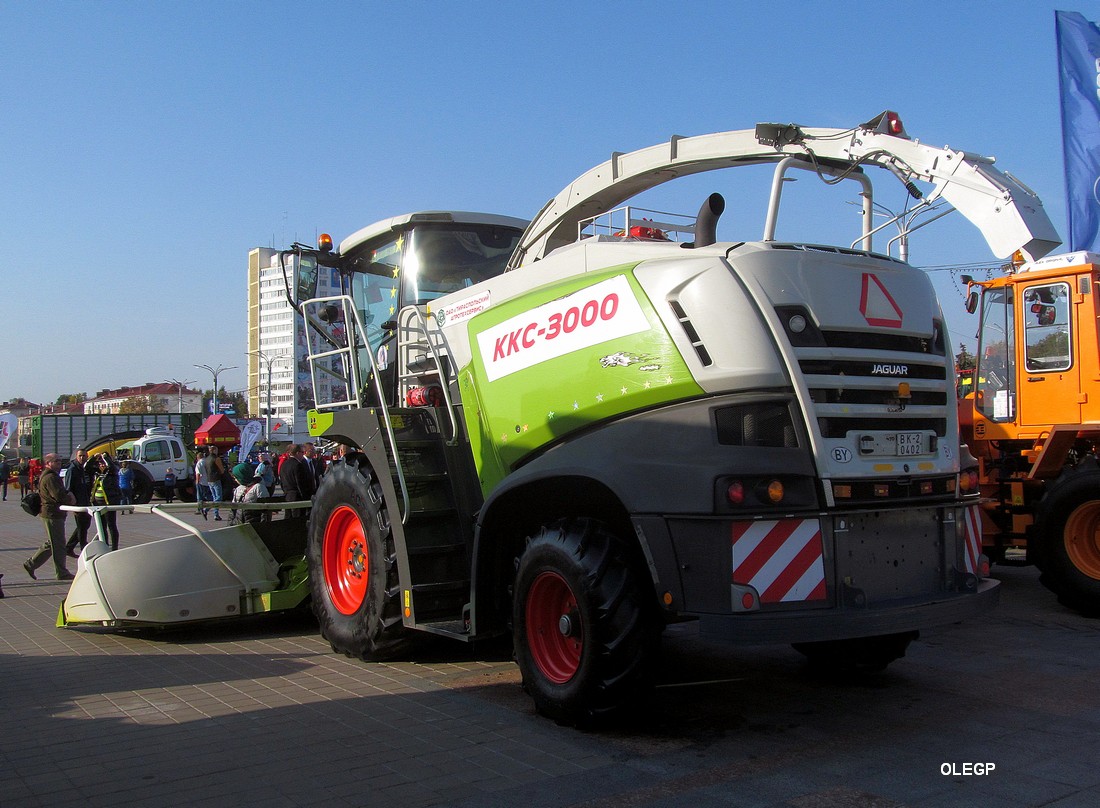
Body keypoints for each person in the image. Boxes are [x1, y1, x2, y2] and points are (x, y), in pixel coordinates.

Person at [23, 453, 76, 580]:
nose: (59, 463)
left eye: (60, 460)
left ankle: (31, 564)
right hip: (52, 514)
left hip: (51, 513)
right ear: (48, 463)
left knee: (52, 542)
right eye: (56, 461)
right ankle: (61, 572)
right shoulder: (51, 477)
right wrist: (70, 498)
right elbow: (58, 496)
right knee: (58, 544)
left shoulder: (48, 475)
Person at [64, 449, 92, 558]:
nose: (82, 458)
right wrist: (73, 506)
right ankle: (83, 549)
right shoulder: (72, 469)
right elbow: (68, 489)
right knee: (82, 527)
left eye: (84, 456)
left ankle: (69, 547)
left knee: (85, 525)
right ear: (76, 456)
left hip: (85, 501)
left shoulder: (81, 469)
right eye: (80, 456)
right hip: (78, 504)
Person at [90, 454, 121, 551]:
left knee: (111, 525)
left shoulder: (112, 473)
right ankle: (105, 545)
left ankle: (114, 547)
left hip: (109, 503)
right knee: (101, 526)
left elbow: (112, 467)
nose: (102, 465)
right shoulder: (97, 473)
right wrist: (94, 458)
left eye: (103, 463)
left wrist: (105, 457)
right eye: (100, 464)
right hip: (97, 504)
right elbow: (87, 468)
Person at [278, 444, 314, 518]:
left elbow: (281, 481)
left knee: (288, 520)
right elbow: (300, 483)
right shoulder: (298, 465)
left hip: (287, 496)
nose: (303, 454)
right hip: (297, 498)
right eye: (302, 452)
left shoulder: (284, 464)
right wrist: (305, 498)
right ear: (297, 453)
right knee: (298, 520)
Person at [203, 445, 225, 521]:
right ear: (215, 450)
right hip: (216, 479)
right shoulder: (216, 459)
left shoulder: (206, 459)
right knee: (218, 497)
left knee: (214, 497)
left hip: (209, 479)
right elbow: (222, 470)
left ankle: (216, 514)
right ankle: (208, 510)